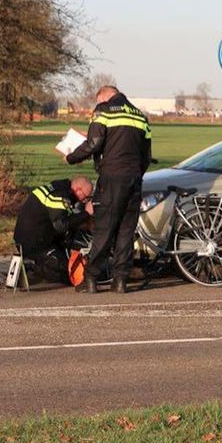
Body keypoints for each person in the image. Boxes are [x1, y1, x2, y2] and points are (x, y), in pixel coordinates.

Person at [66, 85, 152, 293]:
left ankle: (91, 279)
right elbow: (146, 157)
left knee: (104, 229)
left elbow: (93, 143)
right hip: (134, 179)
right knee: (126, 231)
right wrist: (136, 174)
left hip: (112, 179)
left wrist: (71, 157)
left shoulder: (103, 111)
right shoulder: (141, 116)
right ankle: (120, 280)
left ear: (104, 97)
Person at [12, 176, 93, 285]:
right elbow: (61, 225)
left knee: (67, 258)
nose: (85, 201)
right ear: (78, 190)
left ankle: (37, 267)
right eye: (86, 197)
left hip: (35, 237)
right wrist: (86, 213)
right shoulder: (59, 195)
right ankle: (32, 268)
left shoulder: (57, 187)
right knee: (70, 274)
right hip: (34, 244)